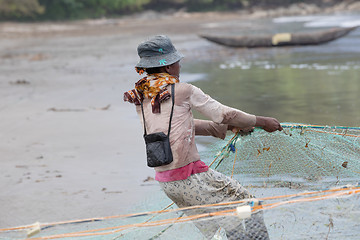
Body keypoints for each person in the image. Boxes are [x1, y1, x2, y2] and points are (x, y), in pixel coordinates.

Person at [124, 35, 283, 240]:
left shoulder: (142, 96)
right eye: (177, 62)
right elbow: (223, 114)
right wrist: (261, 121)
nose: (179, 66)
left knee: (227, 222)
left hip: (167, 183)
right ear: (169, 67)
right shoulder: (183, 90)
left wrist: (227, 128)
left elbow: (176, 129)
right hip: (192, 177)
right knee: (250, 205)